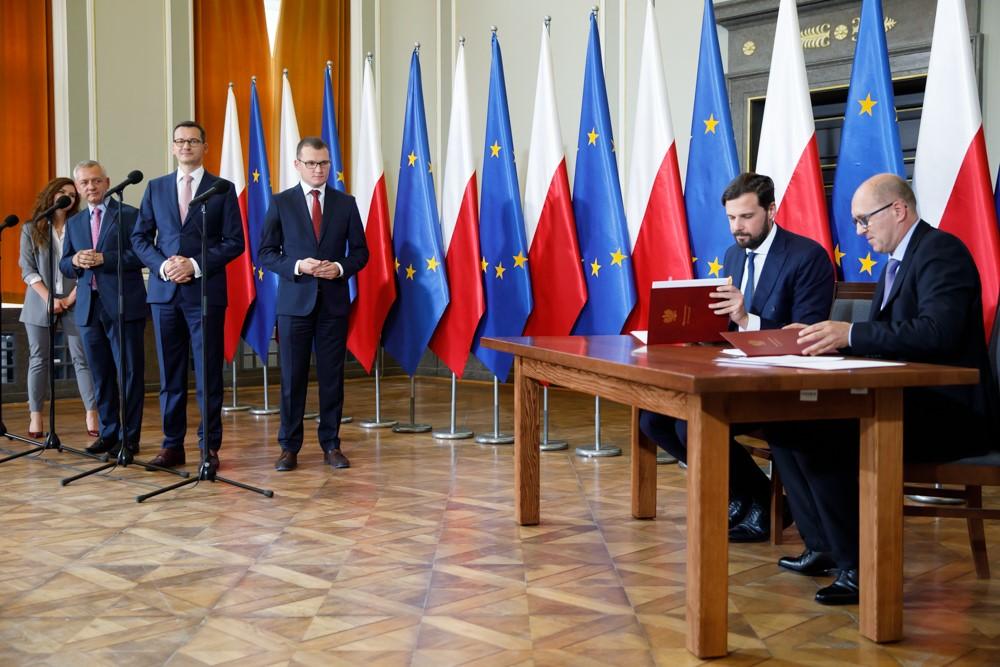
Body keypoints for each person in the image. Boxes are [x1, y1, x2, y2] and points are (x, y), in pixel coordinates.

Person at [775, 173, 1000, 604]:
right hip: (907, 400)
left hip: (951, 413)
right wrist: (826, 338)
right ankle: (823, 545)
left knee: (824, 435)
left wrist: (850, 334)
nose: (860, 232)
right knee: (787, 424)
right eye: (856, 223)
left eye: (864, 220)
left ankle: (860, 568)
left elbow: (937, 333)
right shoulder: (899, 260)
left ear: (898, 210)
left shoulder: (941, 252)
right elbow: (892, 338)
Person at [638, 172, 834, 542]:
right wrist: (693, 328)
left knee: (688, 425)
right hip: (733, 373)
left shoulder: (807, 257)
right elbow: (724, 325)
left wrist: (747, 319)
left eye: (746, 217)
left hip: (784, 384)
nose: (737, 227)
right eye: (731, 218)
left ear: (771, 211)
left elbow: (806, 336)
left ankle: (756, 502)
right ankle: (753, 496)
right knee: (653, 421)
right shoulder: (733, 255)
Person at [131, 120, 244, 474]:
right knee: (170, 376)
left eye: (192, 141)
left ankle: (209, 447)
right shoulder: (156, 187)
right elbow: (139, 238)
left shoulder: (222, 189)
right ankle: (172, 445)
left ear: (204, 147)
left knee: (208, 374)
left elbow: (235, 242)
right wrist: (164, 266)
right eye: (179, 141)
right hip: (165, 294)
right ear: (173, 147)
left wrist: (194, 265)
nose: (185, 146)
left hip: (204, 294)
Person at [259, 137, 369, 472]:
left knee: (332, 378)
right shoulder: (281, 203)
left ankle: (331, 444)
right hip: (294, 304)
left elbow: (361, 253)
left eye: (323, 163)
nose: (318, 169)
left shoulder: (345, 203)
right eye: (311, 163)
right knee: (292, 378)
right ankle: (289, 447)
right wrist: (297, 266)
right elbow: (266, 253)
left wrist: (339, 268)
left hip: (333, 304)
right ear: (297, 165)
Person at [60, 160, 147, 456]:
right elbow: (65, 263)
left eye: (96, 181)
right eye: (84, 183)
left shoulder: (129, 215)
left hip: (123, 304)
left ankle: (129, 437)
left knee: (129, 373)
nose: (91, 187)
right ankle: (109, 433)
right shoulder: (74, 223)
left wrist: (105, 259)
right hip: (88, 307)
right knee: (101, 374)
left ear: (107, 183)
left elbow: (142, 255)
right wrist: (75, 261)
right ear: (78, 188)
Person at [18, 177, 99, 439]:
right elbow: (27, 269)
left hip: (76, 299)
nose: (68, 198)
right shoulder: (32, 228)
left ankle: (92, 413)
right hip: (39, 301)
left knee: (81, 358)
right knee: (38, 358)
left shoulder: (81, 225)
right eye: (63, 193)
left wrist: (70, 298)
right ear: (51, 195)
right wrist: (50, 299)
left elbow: (86, 266)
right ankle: (36, 416)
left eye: (73, 195)